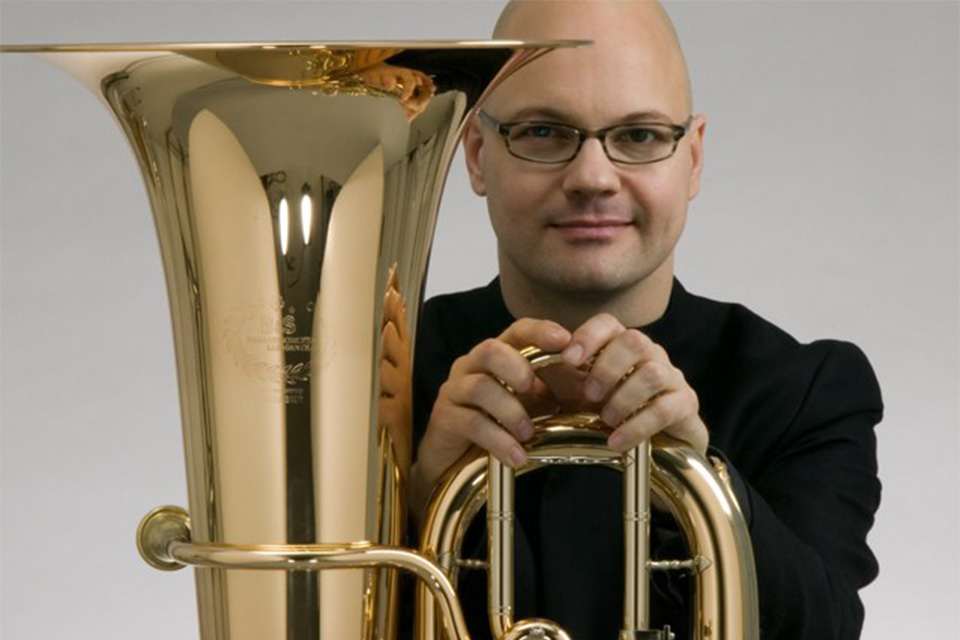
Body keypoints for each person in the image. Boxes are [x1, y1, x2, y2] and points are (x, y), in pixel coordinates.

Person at [409, 1, 882, 638]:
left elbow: (824, 627)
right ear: (474, 154)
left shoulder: (807, 391)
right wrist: (417, 499)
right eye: (544, 132)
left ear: (693, 158)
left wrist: (704, 480)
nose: (594, 177)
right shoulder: (380, 372)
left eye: (639, 136)